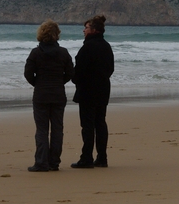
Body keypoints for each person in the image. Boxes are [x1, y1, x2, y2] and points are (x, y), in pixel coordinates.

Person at [24, 20, 74, 172]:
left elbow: (28, 73)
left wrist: (37, 83)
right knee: (57, 129)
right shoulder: (64, 53)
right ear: (56, 34)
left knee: (42, 130)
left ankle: (41, 162)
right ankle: (54, 162)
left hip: (41, 94)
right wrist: (59, 82)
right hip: (58, 94)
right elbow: (70, 74)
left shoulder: (36, 53)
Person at [71, 15, 114, 169]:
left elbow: (79, 71)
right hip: (103, 89)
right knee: (100, 123)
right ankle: (102, 157)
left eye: (86, 27)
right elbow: (111, 68)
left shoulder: (87, 47)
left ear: (93, 30)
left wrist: (75, 79)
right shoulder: (106, 46)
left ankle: (87, 158)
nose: (84, 30)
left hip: (88, 90)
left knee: (88, 125)